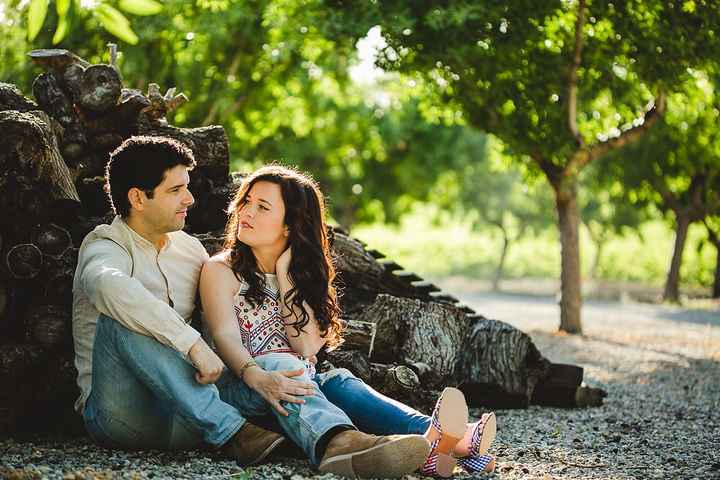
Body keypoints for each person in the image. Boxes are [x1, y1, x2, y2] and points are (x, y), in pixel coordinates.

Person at [72, 136, 431, 479]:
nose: (191, 199)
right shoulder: (105, 247)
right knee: (122, 317)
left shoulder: (190, 251)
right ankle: (235, 433)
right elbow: (108, 285)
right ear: (137, 197)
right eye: (176, 190)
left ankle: (337, 442)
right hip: (127, 414)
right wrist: (194, 346)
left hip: (192, 409)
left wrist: (265, 366)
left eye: (187, 187)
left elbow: (235, 334)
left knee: (283, 367)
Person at [199, 165, 498, 477]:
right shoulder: (221, 270)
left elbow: (306, 345)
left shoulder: (298, 275)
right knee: (280, 365)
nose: (247, 211)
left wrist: (287, 276)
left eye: (262, 207)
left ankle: (449, 444)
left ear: (290, 226)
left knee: (339, 381)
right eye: (246, 201)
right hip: (244, 388)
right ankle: (340, 446)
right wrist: (258, 376)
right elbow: (224, 337)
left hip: (300, 387)